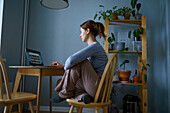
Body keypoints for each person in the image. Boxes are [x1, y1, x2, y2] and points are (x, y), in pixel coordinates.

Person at [51, 20, 108, 104]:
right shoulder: (94, 48)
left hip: (99, 89)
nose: (80, 35)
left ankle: (64, 94)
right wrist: (63, 66)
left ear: (87, 31)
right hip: (93, 88)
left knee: (80, 61)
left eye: (81, 32)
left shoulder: (95, 47)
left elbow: (71, 60)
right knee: (65, 83)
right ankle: (83, 96)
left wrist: (65, 67)